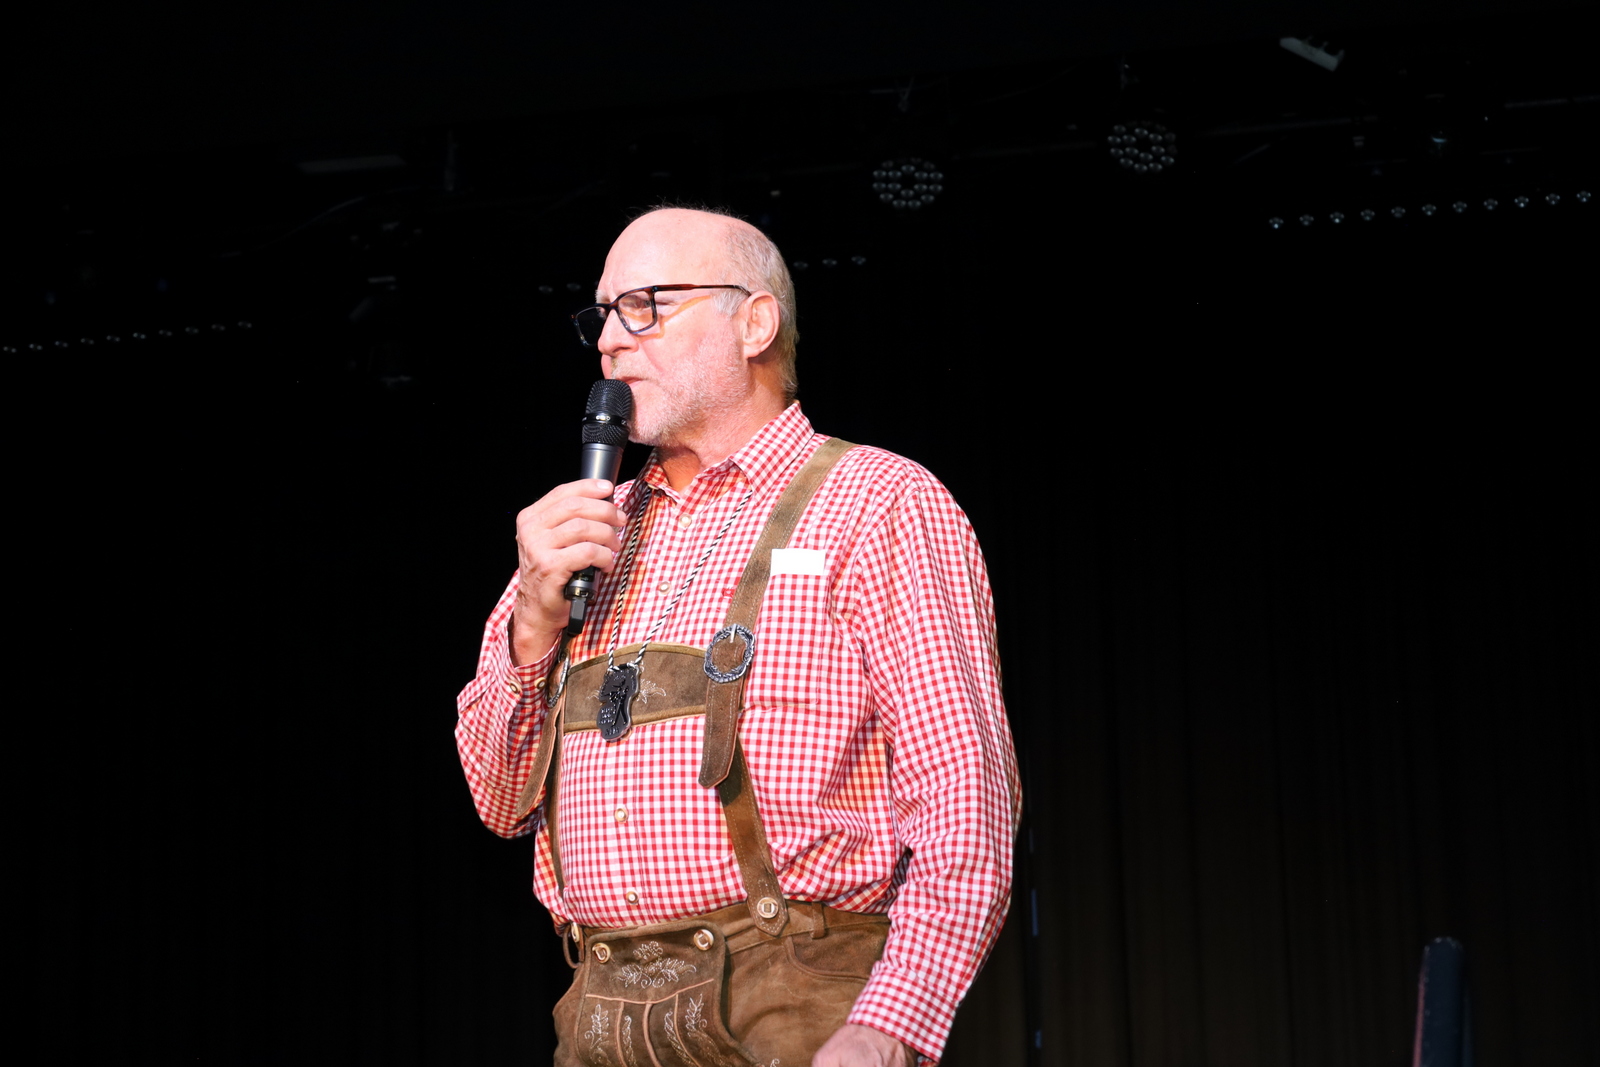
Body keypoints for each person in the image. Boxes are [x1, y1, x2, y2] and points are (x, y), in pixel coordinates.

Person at [456, 206, 1020, 1067]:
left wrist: (890, 1024)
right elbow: (499, 802)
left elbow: (964, 802)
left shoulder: (877, 502)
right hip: (601, 1017)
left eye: (645, 305)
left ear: (754, 323)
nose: (608, 339)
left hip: (795, 1010)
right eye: (602, 314)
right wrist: (533, 618)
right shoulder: (585, 533)